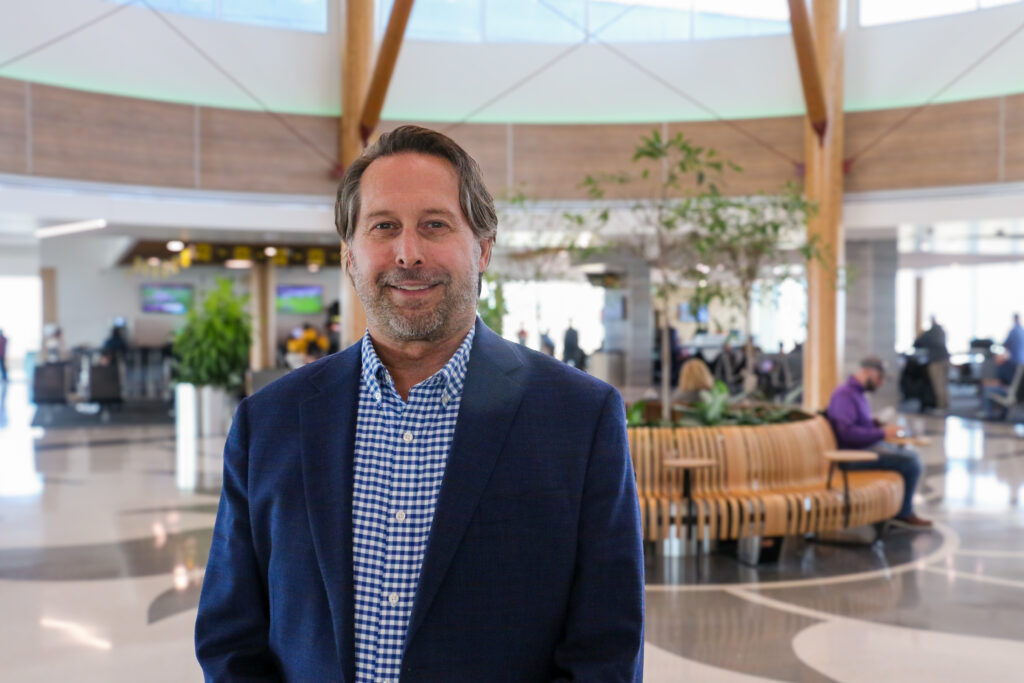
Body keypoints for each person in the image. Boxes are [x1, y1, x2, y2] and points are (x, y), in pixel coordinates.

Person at [195, 125, 644, 682]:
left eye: (435, 225)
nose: (408, 253)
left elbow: (606, 649)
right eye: (384, 227)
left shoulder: (579, 418)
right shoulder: (270, 422)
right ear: (350, 256)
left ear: (481, 249)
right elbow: (230, 636)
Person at [826, 356, 931, 527]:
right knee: (911, 462)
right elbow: (846, 434)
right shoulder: (845, 394)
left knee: (906, 454)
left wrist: (875, 424)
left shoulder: (857, 394)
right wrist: (882, 433)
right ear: (866, 372)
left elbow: (855, 424)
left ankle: (898, 509)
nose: (880, 383)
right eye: (879, 378)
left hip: (863, 449)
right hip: (851, 456)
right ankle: (903, 513)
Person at [913, 315, 950, 410]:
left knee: (938, 384)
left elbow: (917, 343)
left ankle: (941, 406)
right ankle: (945, 404)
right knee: (944, 384)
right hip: (945, 359)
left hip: (936, 361)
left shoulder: (931, 332)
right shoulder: (942, 331)